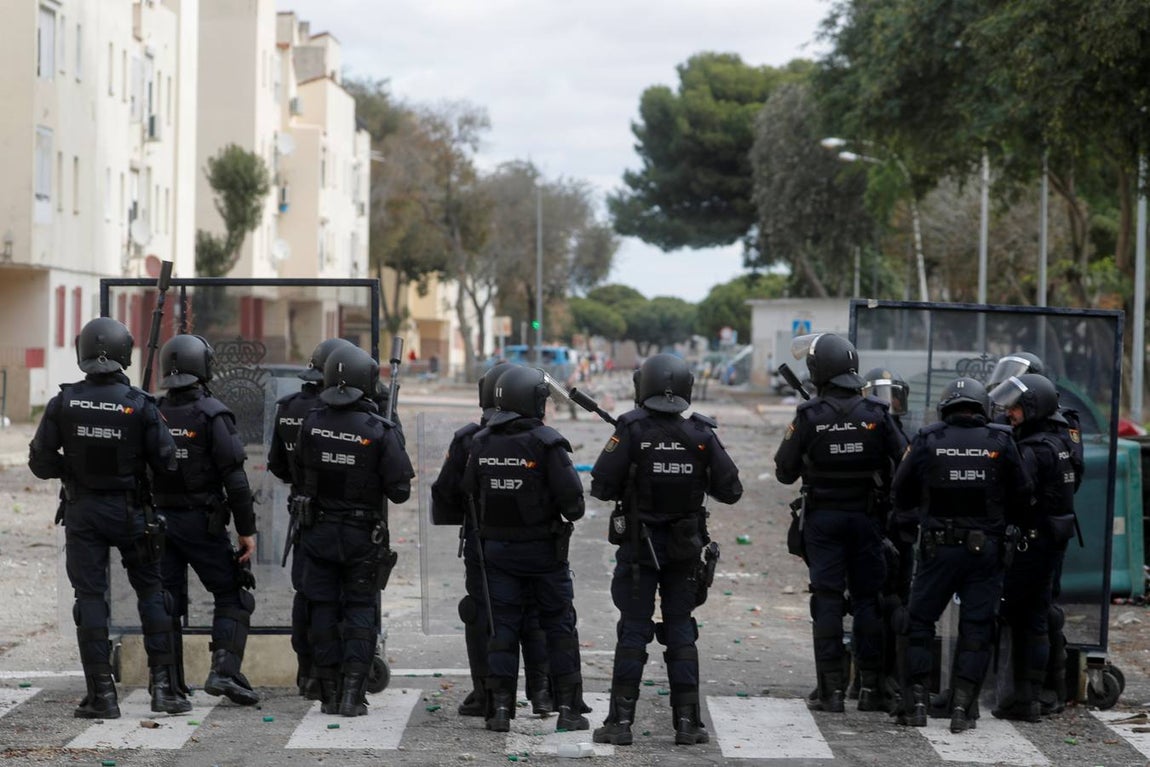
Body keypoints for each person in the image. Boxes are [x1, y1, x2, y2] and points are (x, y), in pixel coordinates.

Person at [28, 317, 191, 718]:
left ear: (83, 353)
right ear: (124, 355)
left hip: (83, 511)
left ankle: (102, 695)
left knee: (90, 598)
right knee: (153, 594)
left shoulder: (63, 403)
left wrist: (72, 471)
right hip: (132, 510)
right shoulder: (139, 405)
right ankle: (164, 690)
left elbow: (39, 462)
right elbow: (168, 461)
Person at [590, 354, 743, 746]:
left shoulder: (630, 429)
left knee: (633, 630)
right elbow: (731, 490)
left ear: (643, 386)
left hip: (639, 551)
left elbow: (601, 485)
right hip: (685, 549)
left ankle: (620, 723)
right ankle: (688, 724)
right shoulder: (702, 435)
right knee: (681, 630)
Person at [774, 334, 907, 714]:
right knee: (869, 600)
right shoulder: (877, 414)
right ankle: (871, 689)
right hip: (867, 518)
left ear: (819, 371)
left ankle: (831, 691)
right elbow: (904, 461)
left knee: (828, 599)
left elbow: (784, 472)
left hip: (823, 520)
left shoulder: (808, 416)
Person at [891, 377, 1031, 733]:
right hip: (985, 552)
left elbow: (900, 489)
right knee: (976, 628)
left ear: (946, 407)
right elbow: (1023, 494)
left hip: (937, 549)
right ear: (982, 406)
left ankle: (917, 703)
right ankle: (962, 708)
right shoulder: (1001, 440)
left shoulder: (928, 438)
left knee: (919, 622)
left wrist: (920, 514)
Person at [461, 365, 588, 733]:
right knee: (558, 628)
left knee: (502, 629)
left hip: (497, 554)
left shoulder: (481, 442)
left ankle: (500, 710)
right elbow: (574, 506)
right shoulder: (548, 443)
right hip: (544, 556)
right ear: (534, 402)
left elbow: (468, 490)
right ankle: (567, 707)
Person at [430, 361, 558, 718]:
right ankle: (542, 693)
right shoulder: (539, 438)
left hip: (484, 544)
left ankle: (489, 695)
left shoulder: (470, 439)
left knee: (485, 616)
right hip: (538, 544)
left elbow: (445, 495)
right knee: (534, 616)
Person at [292, 345, 414, 716]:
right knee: (360, 609)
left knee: (323, 609)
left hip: (318, 530)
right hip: (362, 534)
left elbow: (298, 473)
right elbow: (400, 490)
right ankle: (351, 693)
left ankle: (328, 691)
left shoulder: (311, 422)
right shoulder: (379, 429)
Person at [152, 334, 259, 706]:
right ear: (204, 368)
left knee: (164, 602)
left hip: (158, 523)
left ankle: (165, 684)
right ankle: (224, 670)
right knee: (233, 594)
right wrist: (247, 531)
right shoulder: (213, 414)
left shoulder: (152, 411)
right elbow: (236, 480)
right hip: (202, 523)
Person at [990, 373, 1080, 722]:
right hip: (1050, 541)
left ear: (1033, 407)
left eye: (1015, 407)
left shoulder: (1033, 450)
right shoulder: (1059, 445)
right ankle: (1032, 697)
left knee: (1021, 617)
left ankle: (1023, 698)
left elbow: (1015, 493)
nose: (1009, 413)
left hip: (1031, 543)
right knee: (1038, 618)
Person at [268, 337, 355, 699]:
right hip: (348, 517)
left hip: (303, 513)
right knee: (347, 599)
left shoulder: (290, 407)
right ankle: (339, 674)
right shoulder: (343, 412)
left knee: (308, 595)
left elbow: (277, 466)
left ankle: (308, 673)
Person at [862, 367, 914, 713]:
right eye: (881, 394)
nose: (888, 402)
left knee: (896, 603)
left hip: (899, 528)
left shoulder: (911, 437)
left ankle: (888, 677)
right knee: (872, 603)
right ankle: (868, 680)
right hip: (871, 525)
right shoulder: (870, 432)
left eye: (892, 395)